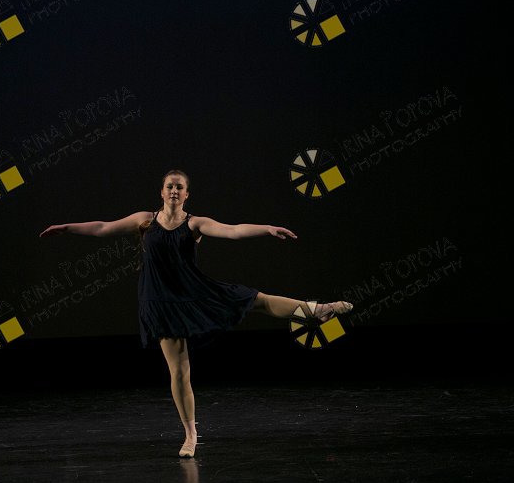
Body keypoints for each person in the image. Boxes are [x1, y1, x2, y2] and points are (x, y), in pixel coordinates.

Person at [39, 169, 352, 458]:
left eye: (180, 187)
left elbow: (232, 231)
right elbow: (102, 228)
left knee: (255, 299)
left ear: (186, 194)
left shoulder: (194, 224)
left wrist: (266, 229)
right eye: (170, 186)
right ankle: (190, 434)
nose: (174, 191)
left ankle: (316, 310)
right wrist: (67, 228)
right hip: (160, 301)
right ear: (162, 192)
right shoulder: (144, 220)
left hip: (194, 293)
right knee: (179, 371)